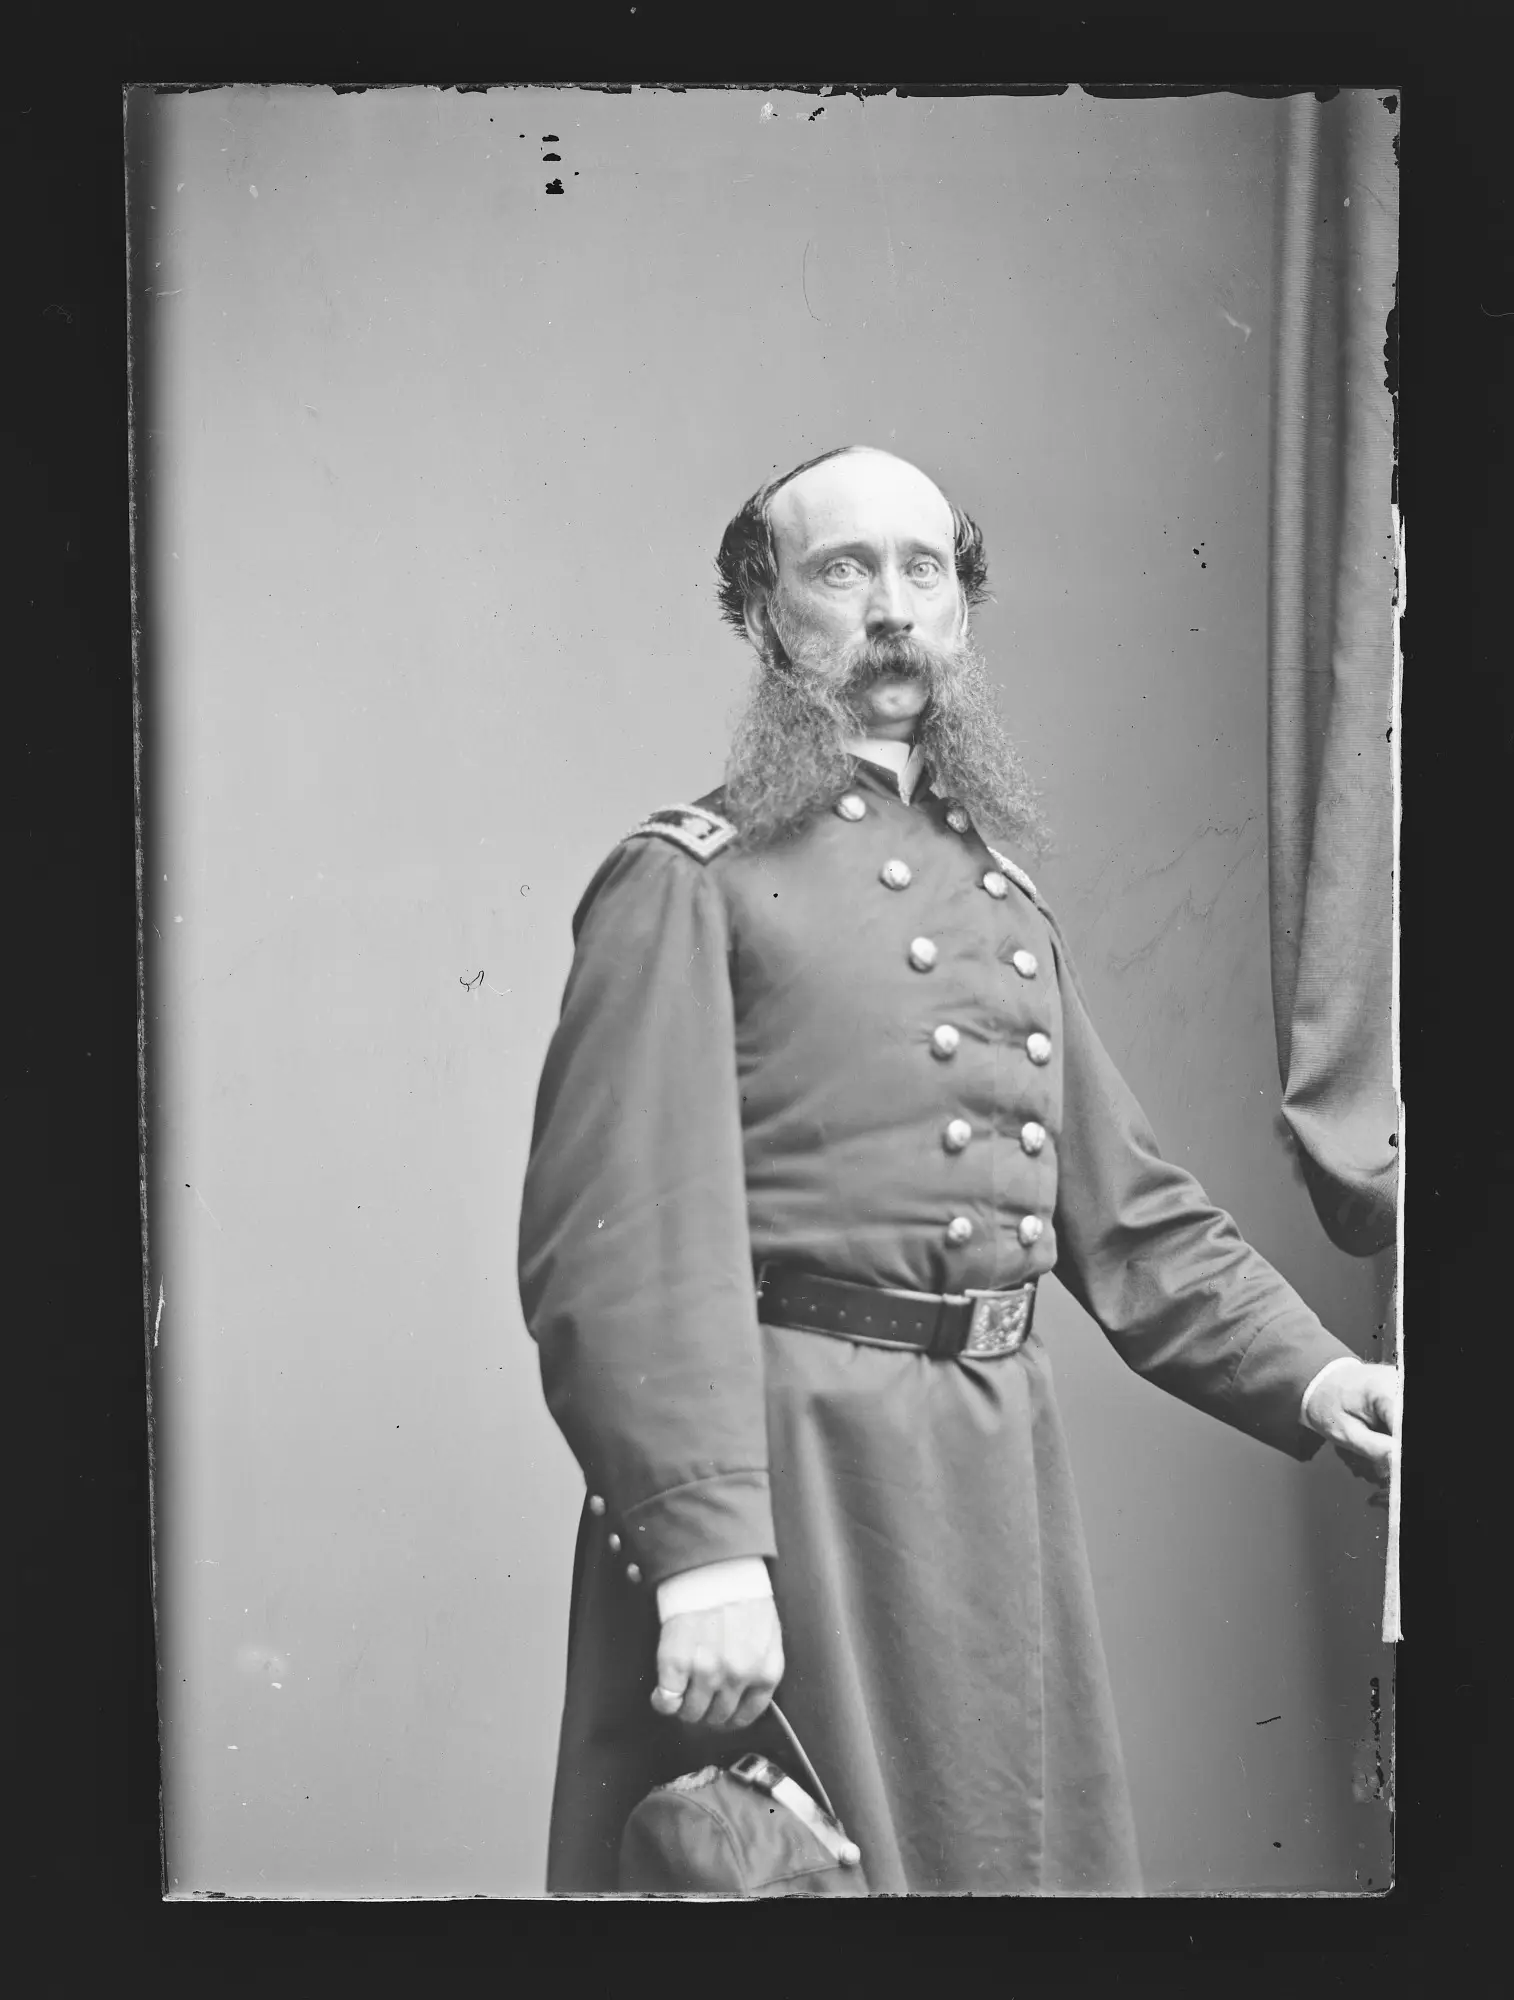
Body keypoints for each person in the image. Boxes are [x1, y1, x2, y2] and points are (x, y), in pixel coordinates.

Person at [517, 444, 1397, 1895]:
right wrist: (703, 1554)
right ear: (763, 611)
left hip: (992, 1471)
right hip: (795, 1484)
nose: (890, 606)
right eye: (841, 568)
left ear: (962, 611)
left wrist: (1319, 1377)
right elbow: (617, 1251)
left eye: (921, 569)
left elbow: (1131, 1214)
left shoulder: (999, 900)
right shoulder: (687, 880)